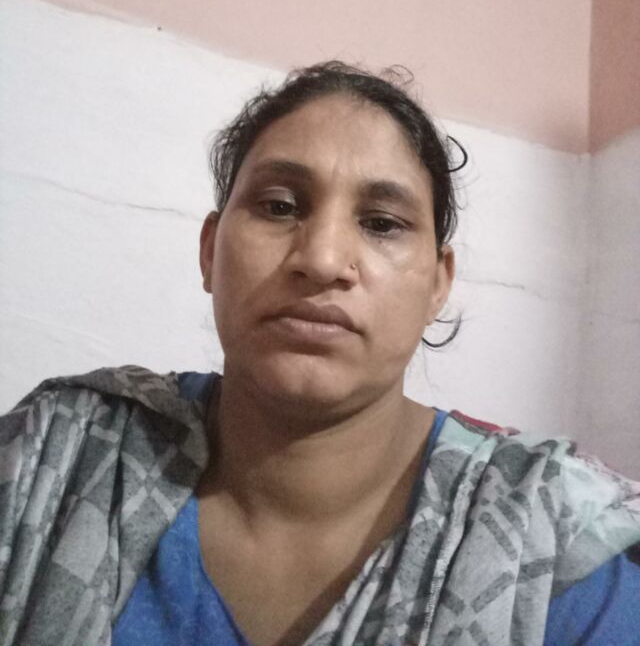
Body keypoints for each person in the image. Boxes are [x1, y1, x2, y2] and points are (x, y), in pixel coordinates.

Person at [0, 62, 638, 646]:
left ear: (438, 285)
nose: (323, 260)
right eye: (279, 207)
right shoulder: (56, 456)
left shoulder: (553, 548)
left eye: (382, 223)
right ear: (210, 250)